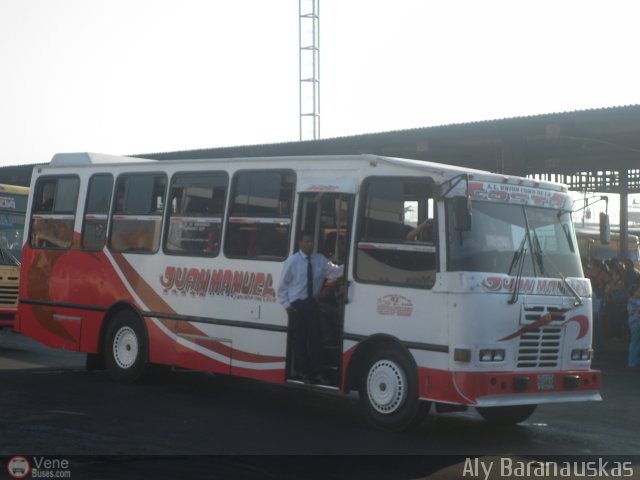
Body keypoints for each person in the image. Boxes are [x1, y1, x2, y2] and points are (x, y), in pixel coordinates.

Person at [277, 231, 344, 384]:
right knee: (299, 341)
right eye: (306, 241)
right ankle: (304, 372)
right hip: (297, 306)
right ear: (300, 243)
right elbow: (282, 287)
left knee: (315, 340)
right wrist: (287, 306)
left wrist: (353, 262)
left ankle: (317, 372)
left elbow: (335, 272)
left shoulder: (320, 260)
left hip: (312, 305)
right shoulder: (292, 261)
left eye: (311, 241)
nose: (310, 244)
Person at [626, 284, 640, 368]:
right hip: (635, 323)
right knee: (634, 342)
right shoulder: (631, 301)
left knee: (637, 342)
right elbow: (633, 312)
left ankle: (635, 359)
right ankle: (631, 361)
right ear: (634, 292)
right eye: (638, 290)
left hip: (636, 322)